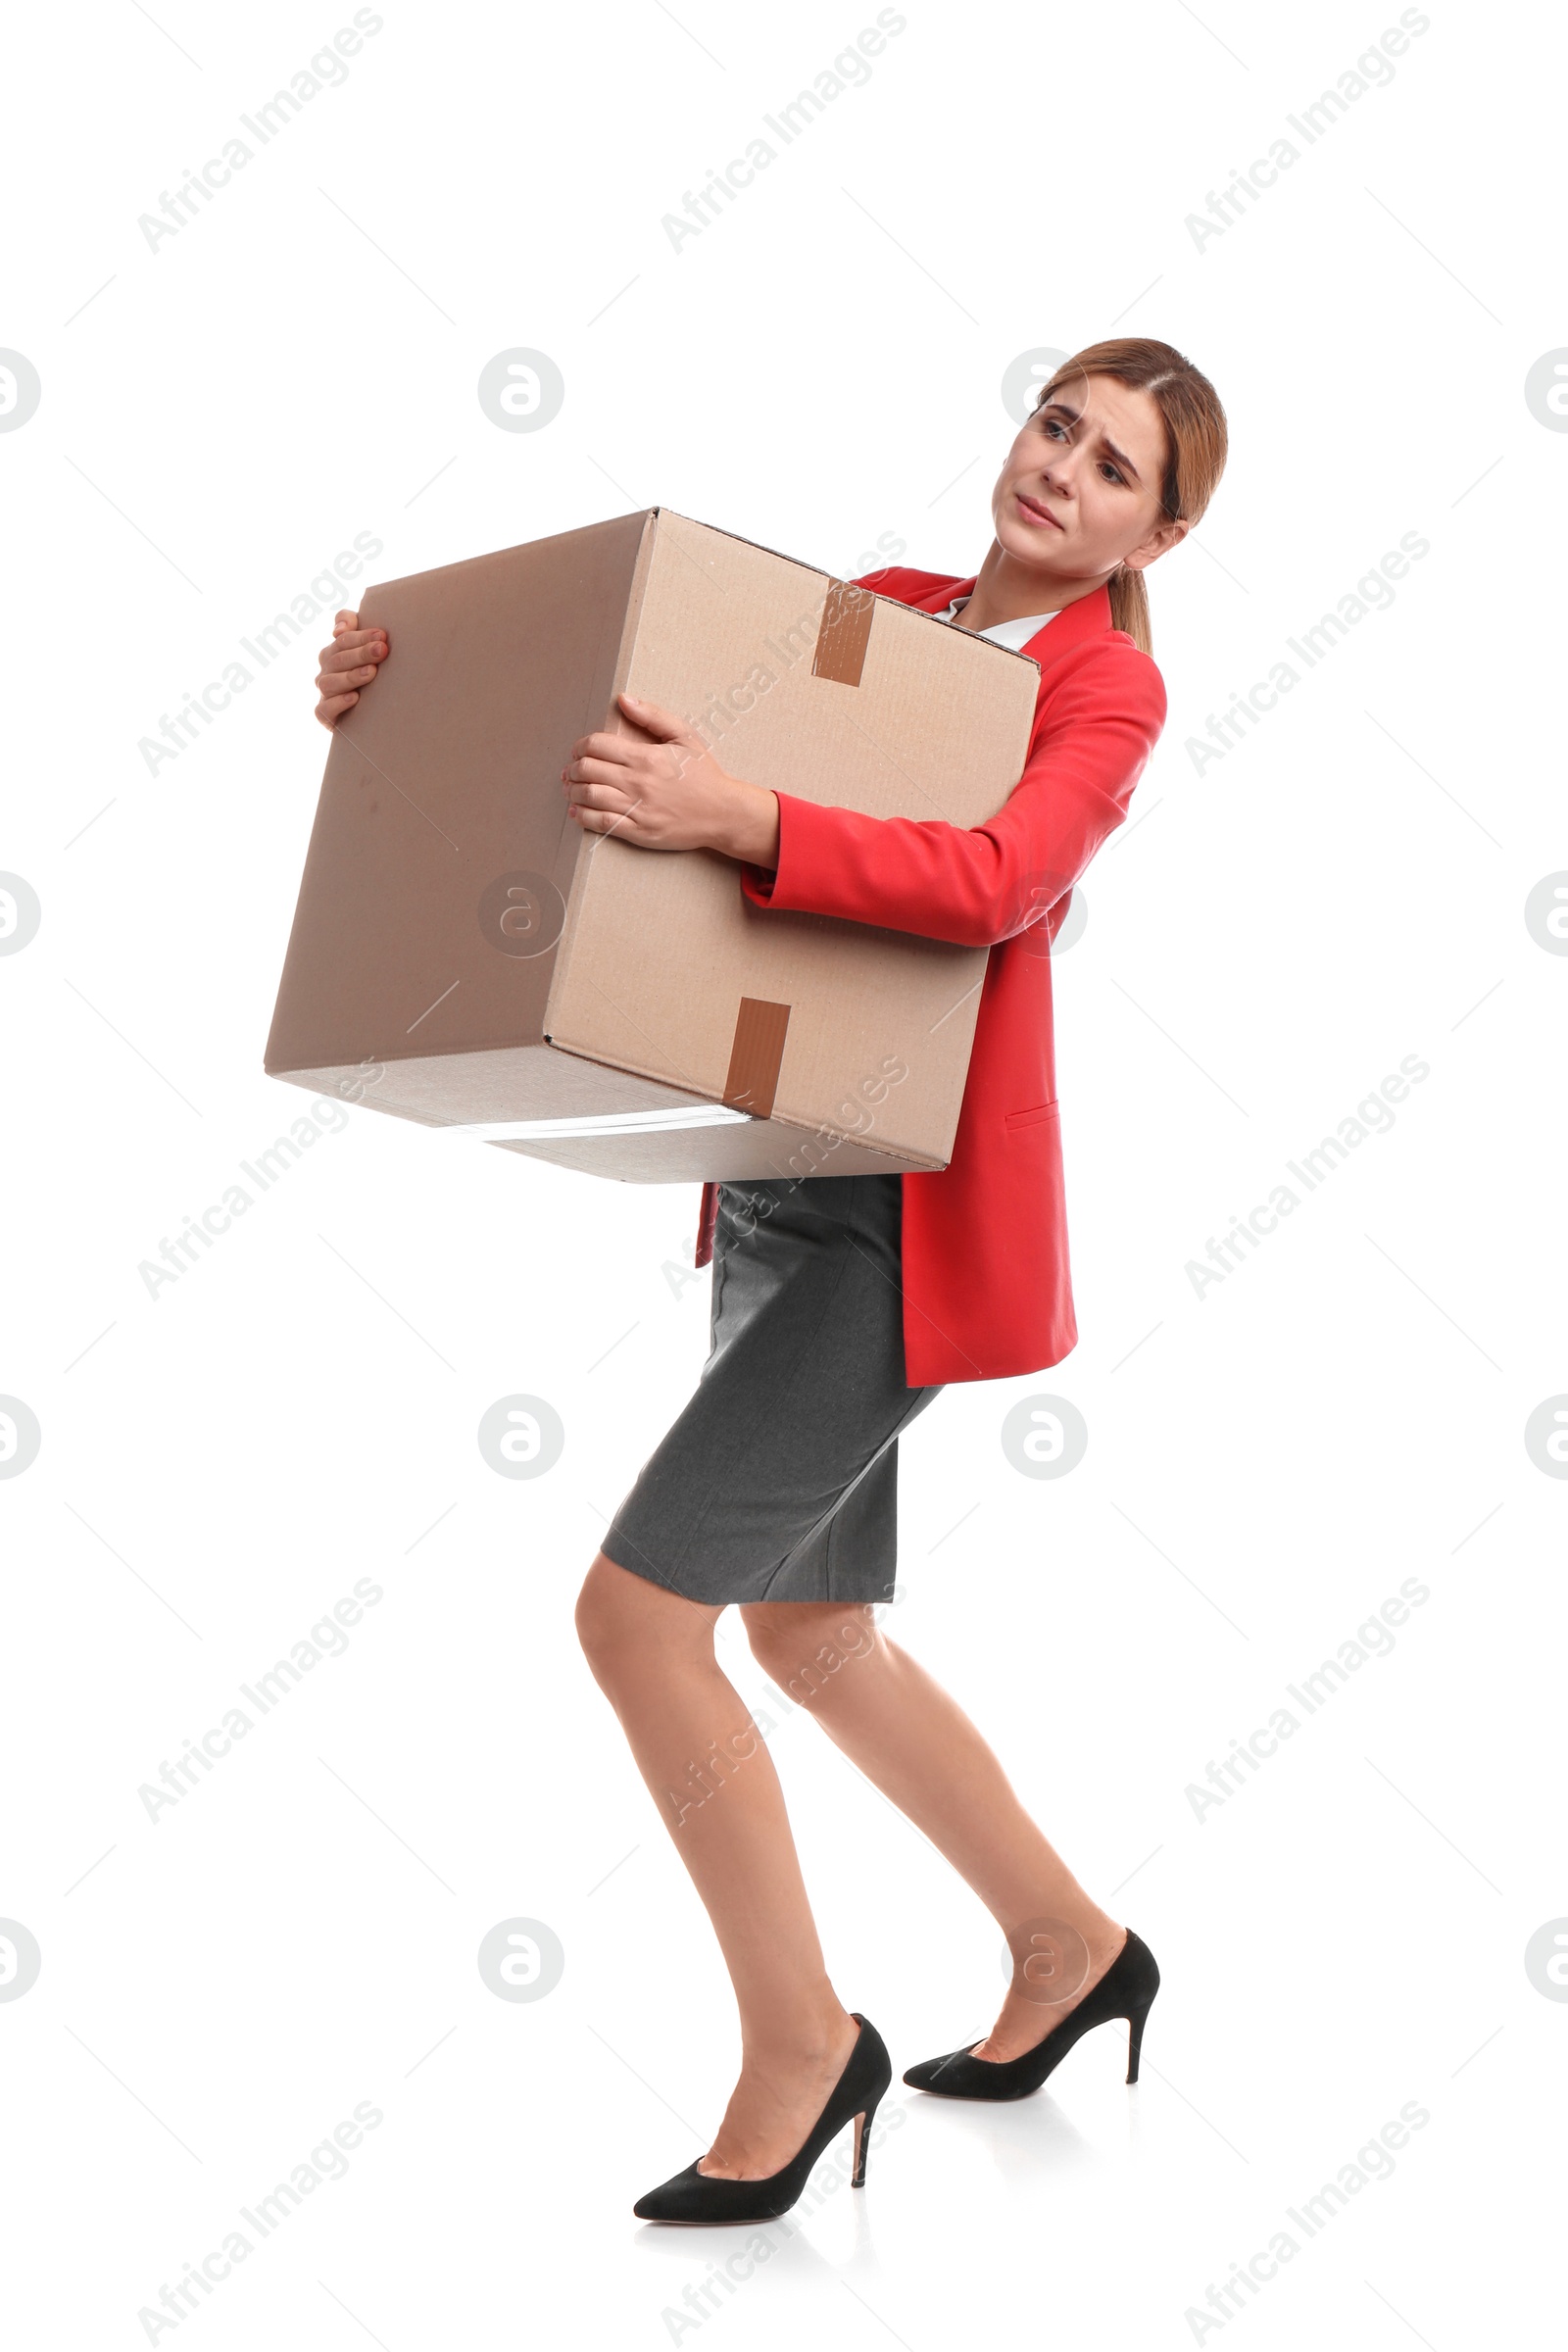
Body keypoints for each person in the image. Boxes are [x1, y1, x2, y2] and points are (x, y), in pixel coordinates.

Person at [314, 336, 1228, 2227]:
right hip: (777, 1196)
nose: (1060, 467)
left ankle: (805, 2047)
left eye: (1114, 465)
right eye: (1055, 422)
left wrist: (749, 821)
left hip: (904, 1235)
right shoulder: (887, 618)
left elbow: (992, 883)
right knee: (811, 1636)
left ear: (1163, 524)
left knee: (638, 1621)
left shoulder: (1108, 685)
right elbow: (629, 742)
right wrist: (396, 707)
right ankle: (1070, 1943)